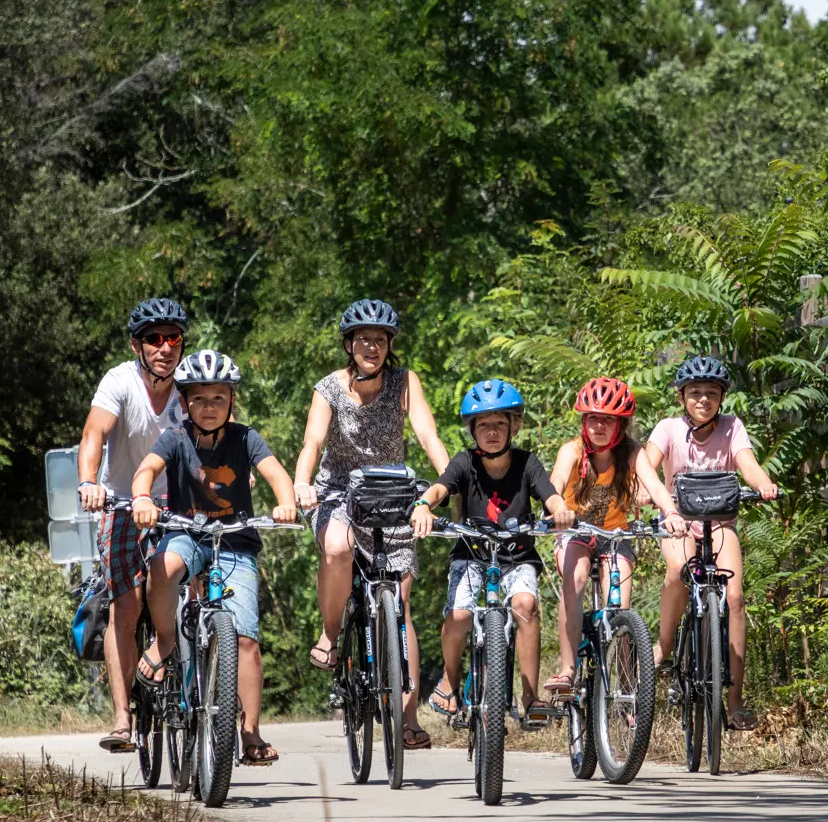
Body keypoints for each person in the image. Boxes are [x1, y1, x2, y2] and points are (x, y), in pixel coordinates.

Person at [292, 298, 450, 750]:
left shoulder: (404, 382)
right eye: (364, 339)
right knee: (338, 548)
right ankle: (330, 630)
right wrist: (303, 483)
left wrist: (445, 485)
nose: (372, 347)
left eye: (380, 340)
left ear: (389, 345)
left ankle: (407, 717)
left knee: (398, 602)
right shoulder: (328, 388)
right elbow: (312, 441)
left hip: (392, 491)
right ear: (349, 344)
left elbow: (427, 435)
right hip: (338, 491)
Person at [129, 349, 298, 765]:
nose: (209, 407)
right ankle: (166, 641)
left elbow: (276, 474)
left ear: (231, 402)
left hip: (235, 541)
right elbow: (146, 469)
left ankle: (251, 731)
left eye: (219, 398)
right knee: (163, 566)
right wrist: (141, 497)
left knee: (245, 640)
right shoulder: (175, 438)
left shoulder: (246, 438)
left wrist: (286, 502)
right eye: (199, 399)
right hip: (186, 532)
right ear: (184, 403)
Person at [410, 380, 574, 725]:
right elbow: (442, 486)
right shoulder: (465, 462)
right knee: (458, 616)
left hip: (517, 557)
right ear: (472, 430)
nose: (492, 431)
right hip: (471, 555)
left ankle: (530, 699)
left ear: (514, 426)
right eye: (483, 424)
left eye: (500, 423)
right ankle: (450, 680)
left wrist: (560, 510)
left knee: (526, 606)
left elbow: (550, 494)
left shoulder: (527, 462)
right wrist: (424, 505)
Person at [76, 298, 188, 753]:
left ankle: (202, 687)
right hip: (122, 503)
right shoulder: (119, 381)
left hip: (178, 507)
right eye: (153, 339)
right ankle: (123, 719)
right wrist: (89, 482)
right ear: (137, 345)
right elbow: (93, 434)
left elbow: (228, 435)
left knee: (199, 590)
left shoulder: (193, 383)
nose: (164, 348)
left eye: (173, 338)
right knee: (127, 605)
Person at [645, 356, 777, 731]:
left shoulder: (732, 426)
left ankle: (734, 701)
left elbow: (746, 462)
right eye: (696, 393)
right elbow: (649, 462)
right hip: (678, 522)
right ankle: (665, 646)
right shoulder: (668, 428)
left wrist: (761, 482)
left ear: (722, 397)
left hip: (719, 522)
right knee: (678, 571)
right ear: (682, 396)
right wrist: (645, 490)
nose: (703, 399)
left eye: (712, 393)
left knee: (734, 596)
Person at [544, 376, 682, 694]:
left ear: (621, 424)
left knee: (619, 606)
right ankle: (567, 669)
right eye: (593, 418)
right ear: (584, 420)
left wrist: (671, 512)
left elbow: (655, 484)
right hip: (575, 534)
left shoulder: (632, 453)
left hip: (616, 538)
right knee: (575, 579)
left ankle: (628, 689)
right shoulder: (572, 451)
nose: (600, 426)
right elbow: (554, 482)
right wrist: (554, 510)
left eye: (609, 419)